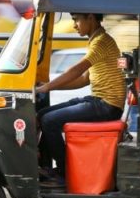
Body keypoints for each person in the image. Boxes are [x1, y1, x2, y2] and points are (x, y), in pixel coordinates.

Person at [35, 13, 126, 185]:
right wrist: (47, 87)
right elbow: (83, 79)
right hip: (98, 100)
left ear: (90, 18)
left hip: (107, 105)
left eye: (77, 19)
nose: (74, 25)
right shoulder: (96, 40)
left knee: (48, 120)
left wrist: (46, 87)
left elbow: (76, 70)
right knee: (42, 114)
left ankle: (65, 172)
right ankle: (45, 168)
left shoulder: (101, 42)